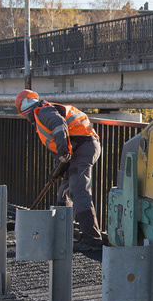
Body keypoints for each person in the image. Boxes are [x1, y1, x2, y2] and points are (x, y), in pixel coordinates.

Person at [15, 89, 103, 251]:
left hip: (82, 147)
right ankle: (63, 232)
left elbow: (59, 126)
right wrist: (58, 172)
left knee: (79, 189)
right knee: (64, 191)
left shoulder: (43, 111)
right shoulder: (44, 112)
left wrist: (63, 152)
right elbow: (63, 146)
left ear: (24, 110)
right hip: (79, 147)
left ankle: (92, 239)